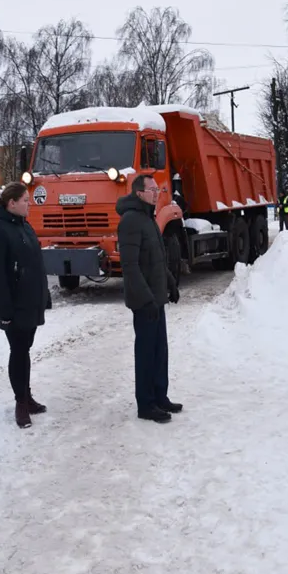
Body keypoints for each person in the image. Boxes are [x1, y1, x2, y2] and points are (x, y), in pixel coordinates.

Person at [0, 182, 51, 429]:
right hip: (14, 307)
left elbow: (36, 265)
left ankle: (27, 396)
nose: (28, 204)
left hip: (31, 302)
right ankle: (20, 403)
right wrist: (5, 312)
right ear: (12, 203)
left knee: (25, 351)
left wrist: (45, 296)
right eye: (25, 200)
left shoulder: (24, 226)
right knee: (19, 352)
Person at [116, 174, 181, 423]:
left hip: (155, 298)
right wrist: (146, 299)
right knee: (145, 352)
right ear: (139, 193)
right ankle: (146, 404)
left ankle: (159, 396)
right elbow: (130, 266)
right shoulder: (131, 221)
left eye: (158, 189)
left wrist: (170, 284)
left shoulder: (148, 218)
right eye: (152, 189)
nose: (157, 193)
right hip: (144, 301)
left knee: (159, 350)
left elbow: (157, 260)